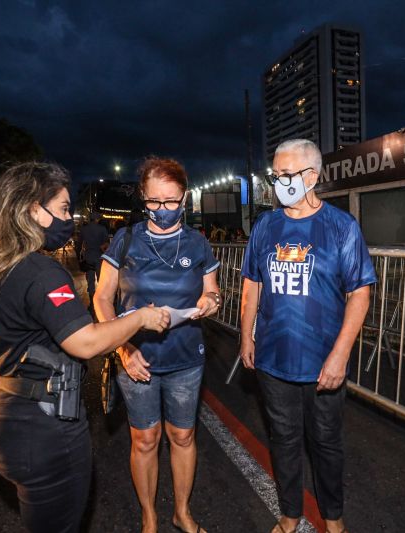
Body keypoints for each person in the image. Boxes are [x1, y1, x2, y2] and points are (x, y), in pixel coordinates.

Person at [0, 162, 170, 533]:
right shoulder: (40, 272)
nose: (69, 218)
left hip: (2, 408)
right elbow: (86, 342)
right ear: (33, 210)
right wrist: (140, 318)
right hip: (40, 425)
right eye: (62, 208)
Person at [239, 139, 376, 533]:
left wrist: (340, 355)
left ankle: (333, 520)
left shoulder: (341, 227)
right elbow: (252, 284)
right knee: (282, 439)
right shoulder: (266, 226)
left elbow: (360, 294)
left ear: (312, 177)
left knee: (326, 443)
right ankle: (289, 514)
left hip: (322, 362)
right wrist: (246, 336)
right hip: (273, 359)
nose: (278, 183)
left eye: (286, 175)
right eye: (276, 176)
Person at [94, 157, 221, 533]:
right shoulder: (125, 239)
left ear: (185, 198)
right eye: (154, 201)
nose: (162, 209)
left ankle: (181, 512)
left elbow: (214, 293)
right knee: (145, 439)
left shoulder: (198, 242)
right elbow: (102, 298)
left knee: (183, 435)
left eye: (171, 201)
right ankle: (149, 516)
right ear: (142, 197)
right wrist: (123, 348)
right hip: (137, 358)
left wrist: (210, 301)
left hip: (186, 357)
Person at [79, 211, 109, 309]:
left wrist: (79, 257)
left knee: (90, 280)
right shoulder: (102, 229)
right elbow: (106, 243)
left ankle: (92, 301)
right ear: (97, 219)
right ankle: (101, 300)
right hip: (99, 256)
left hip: (88, 256)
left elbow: (79, 244)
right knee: (101, 279)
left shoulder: (84, 229)